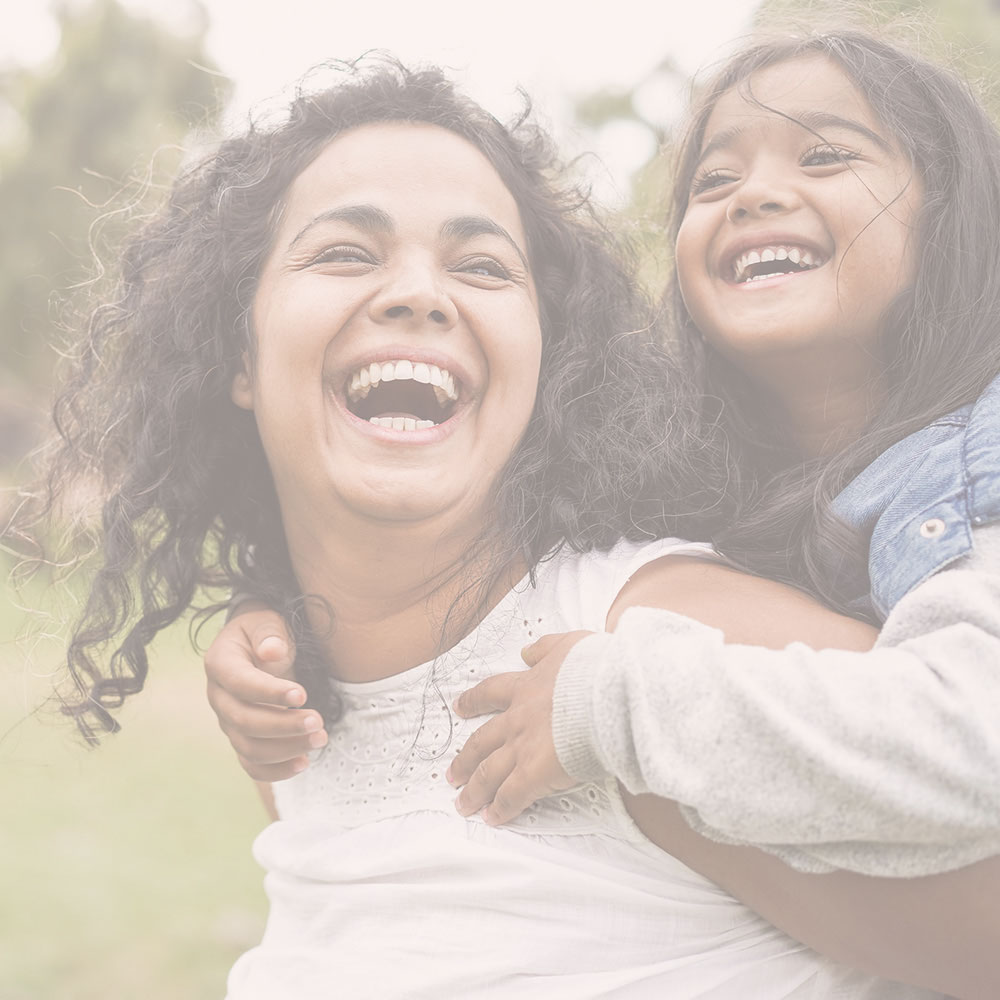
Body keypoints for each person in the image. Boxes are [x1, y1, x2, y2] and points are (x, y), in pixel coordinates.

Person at [204, 32, 1000, 998]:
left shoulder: (660, 638)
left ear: (552, 359)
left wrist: (611, 708)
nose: (417, 294)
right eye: (341, 252)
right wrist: (268, 613)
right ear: (232, 355)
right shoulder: (294, 702)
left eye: (486, 267)